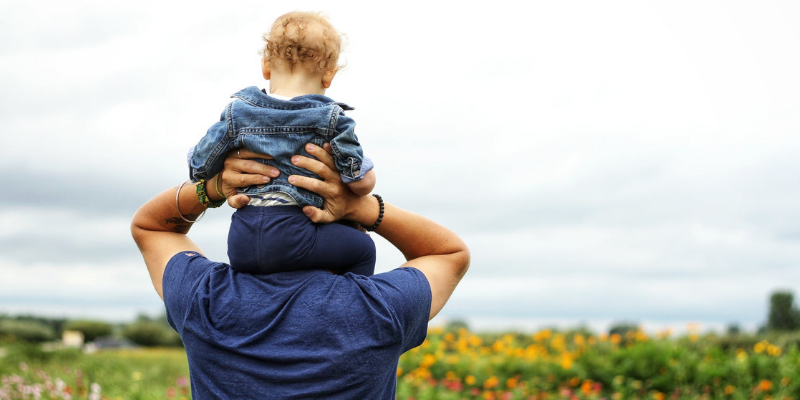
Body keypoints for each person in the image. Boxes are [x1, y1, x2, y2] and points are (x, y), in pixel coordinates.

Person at [131, 144, 469, 399]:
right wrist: (362, 207)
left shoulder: (204, 299)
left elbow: (153, 227)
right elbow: (448, 252)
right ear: (350, 232)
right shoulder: (380, 309)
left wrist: (216, 186)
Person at [187, 11, 377, 275]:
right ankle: (352, 307)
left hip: (242, 240)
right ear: (328, 76)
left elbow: (200, 167)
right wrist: (365, 173)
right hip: (297, 234)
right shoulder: (331, 118)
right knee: (363, 248)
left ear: (266, 66)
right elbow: (358, 182)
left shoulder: (237, 113)